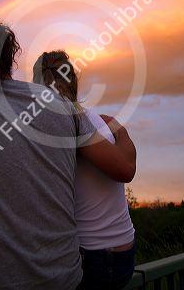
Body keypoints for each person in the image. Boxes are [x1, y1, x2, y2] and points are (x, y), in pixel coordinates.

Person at [0, 13, 134, 290]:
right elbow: (123, 170)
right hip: (66, 277)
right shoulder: (63, 108)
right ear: (10, 56)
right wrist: (120, 128)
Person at [33, 50, 136, 290]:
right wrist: (121, 130)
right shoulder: (95, 121)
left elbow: (126, 170)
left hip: (96, 257)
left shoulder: (69, 122)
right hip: (123, 251)